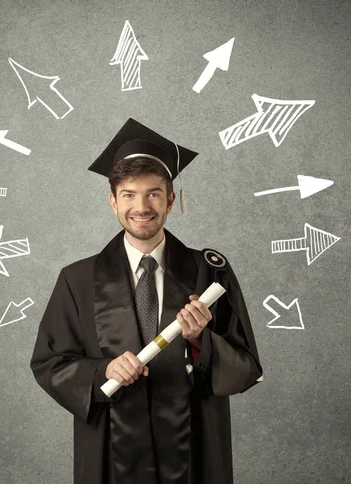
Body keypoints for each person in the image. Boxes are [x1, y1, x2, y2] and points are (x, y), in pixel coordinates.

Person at [30, 118, 263, 484]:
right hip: (111, 451)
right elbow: (49, 364)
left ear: (171, 200)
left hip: (194, 451)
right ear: (112, 201)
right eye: (129, 194)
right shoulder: (76, 280)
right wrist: (102, 371)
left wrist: (202, 342)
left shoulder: (209, 273)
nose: (142, 206)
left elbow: (248, 367)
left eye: (154, 193)